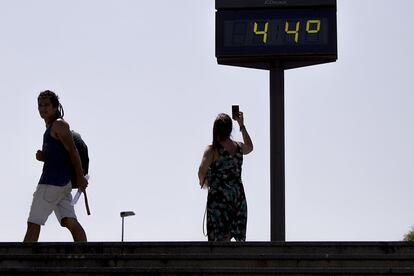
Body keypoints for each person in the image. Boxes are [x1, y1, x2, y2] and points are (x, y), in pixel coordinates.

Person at [23, 90, 88, 242]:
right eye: (40, 105)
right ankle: (85, 255)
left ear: (55, 106)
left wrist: (80, 178)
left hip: (51, 183)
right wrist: (44, 157)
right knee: (69, 221)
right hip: (63, 184)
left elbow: (73, 152)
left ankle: (23, 263)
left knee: (33, 222)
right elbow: (61, 155)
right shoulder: (51, 127)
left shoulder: (59, 125)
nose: (42, 108)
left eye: (46, 105)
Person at [198, 112, 253, 241]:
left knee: (219, 238)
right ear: (229, 129)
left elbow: (201, 171)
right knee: (234, 237)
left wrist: (205, 183)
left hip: (219, 198)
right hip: (237, 196)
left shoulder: (212, 150)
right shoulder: (239, 147)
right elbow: (250, 147)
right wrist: (242, 126)